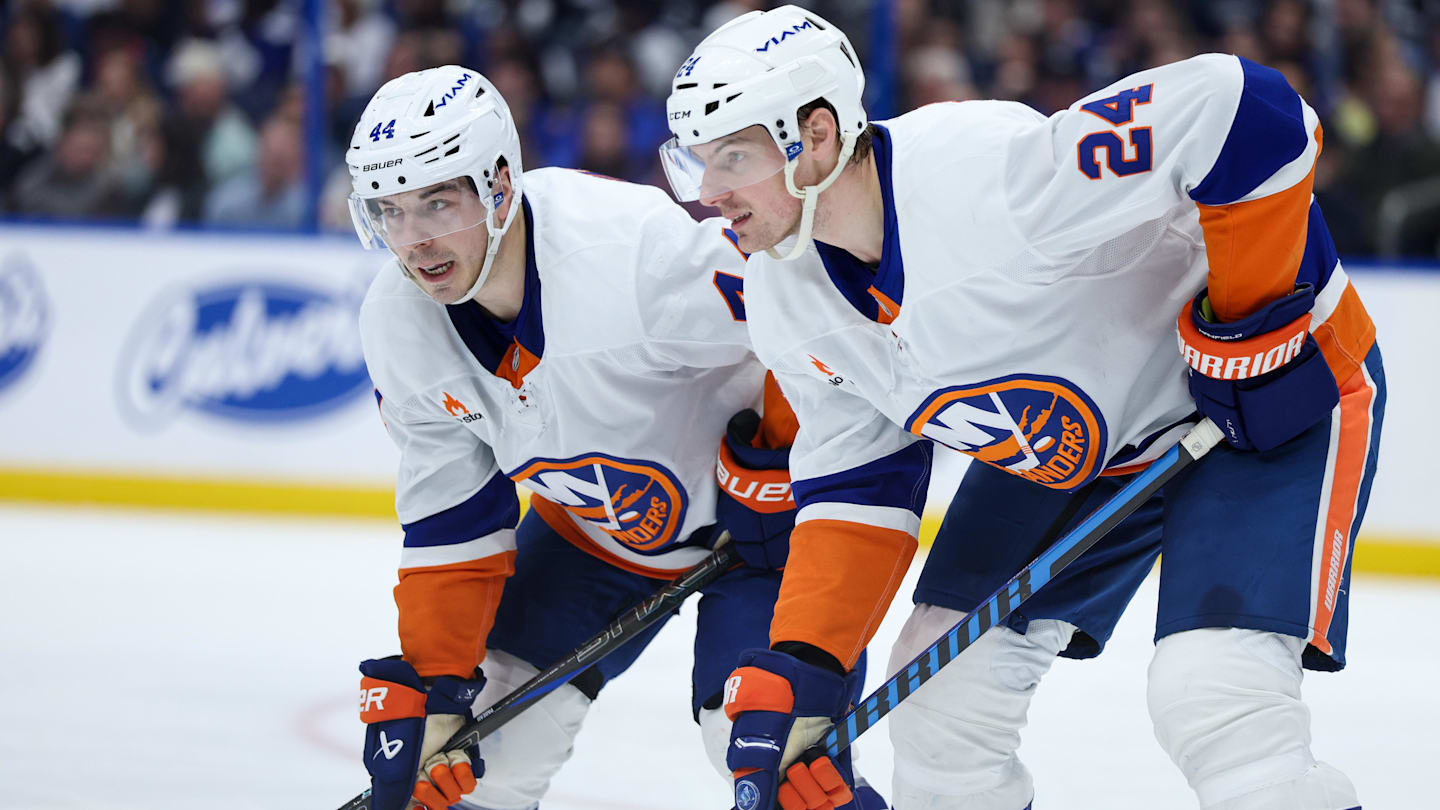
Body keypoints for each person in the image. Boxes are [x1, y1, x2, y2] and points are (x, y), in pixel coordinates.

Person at [662, 6, 1381, 810]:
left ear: (818, 136)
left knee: (1217, 700)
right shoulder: (783, 295)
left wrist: (1253, 318)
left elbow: (1243, 107)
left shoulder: (988, 177)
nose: (709, 192)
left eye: (732, 157)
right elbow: (857, 485)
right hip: (1076, 451)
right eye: (698, 161)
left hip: (1259, 404)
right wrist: (806, 661)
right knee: (939, 712)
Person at [345, 65, 886, 810]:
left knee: (771, 758)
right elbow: (453, 523)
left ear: (499, 184)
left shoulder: (626, 255)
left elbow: (803, 308)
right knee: (476, 760)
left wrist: (774, 458)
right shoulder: (398, 325)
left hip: (762, 538)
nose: (414, 241)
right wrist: (436, 684)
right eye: (391, 212)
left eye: (437, 202)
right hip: (593, 538)